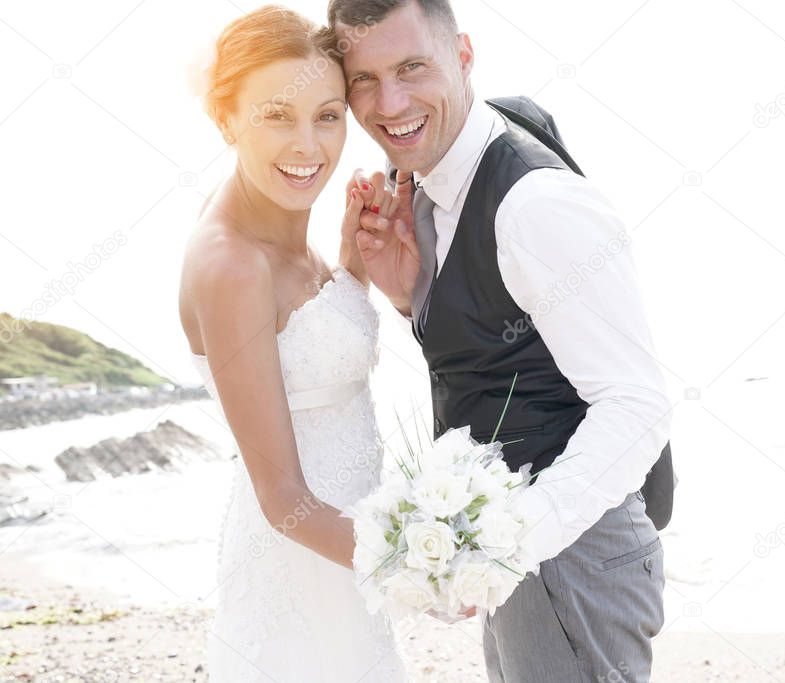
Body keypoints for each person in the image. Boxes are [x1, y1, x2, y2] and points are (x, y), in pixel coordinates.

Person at [329, 0, 673, 680]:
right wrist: (409, 298)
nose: (388, 102)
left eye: (410, 67)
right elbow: (501, 344)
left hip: (570, 556)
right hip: (531, 555)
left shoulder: (536, 206)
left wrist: (504, 547)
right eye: (363, 78)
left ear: (462, 55)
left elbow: (637, 405)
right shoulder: (428, 177)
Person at [177, 6, 405, 681]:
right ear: (227, 120)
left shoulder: (274, 223)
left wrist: (351, 263)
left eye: (328, 115)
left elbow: (306, 355)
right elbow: (283, 498)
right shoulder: (231, 263)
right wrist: (419, 564)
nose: (308, 145)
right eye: (277, 116)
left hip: (346, 551)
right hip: (301, 566)